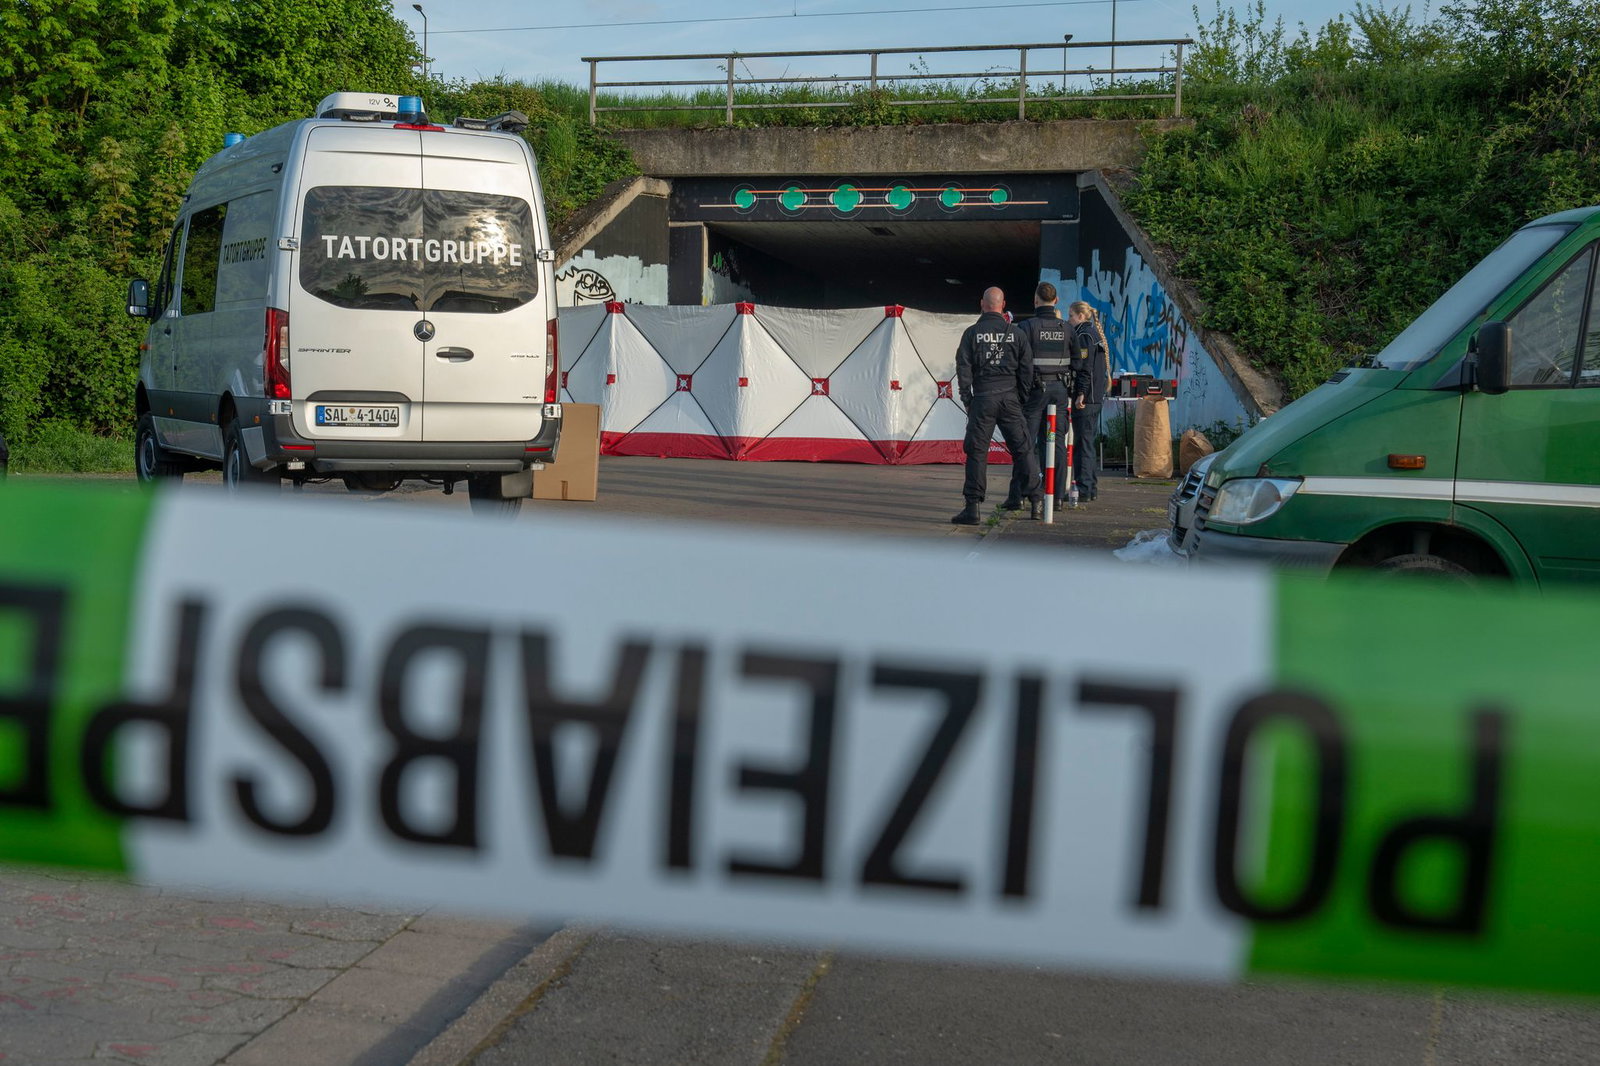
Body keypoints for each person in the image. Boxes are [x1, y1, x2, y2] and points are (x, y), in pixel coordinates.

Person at [951, 287, 1039, 525]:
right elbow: (1027, 369)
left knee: (977, 452)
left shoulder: (972, 333)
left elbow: (964, 368)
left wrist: (967, 399)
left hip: (983, 397)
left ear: (982, 303)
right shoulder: (1016, 333)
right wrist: (1020, 397)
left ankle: (972, 508)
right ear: (1003, 305)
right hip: (1009, 396)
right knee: (1023, 449)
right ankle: (1036, 501)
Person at [1004, 282, 1074, 510]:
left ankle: (1019, 495)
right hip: (1060, 391)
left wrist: (1020, 391)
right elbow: (1079, 362)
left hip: (1034, 393)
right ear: (1056, 302)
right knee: (1056, 444)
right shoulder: (1066, 328)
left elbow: (1016, 362)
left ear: (1035, 301)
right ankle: (1057, 498)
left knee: (1026, 443)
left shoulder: (1025, 327)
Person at [1069, 300, 1110, 502]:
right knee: (1088, 443)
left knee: (1083, 445)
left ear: (1081, 316)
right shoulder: (1094, 335)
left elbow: (1084, 368)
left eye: (1071, 316)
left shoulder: (1084, 336)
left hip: (1087, 398)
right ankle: (1091, 487)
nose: (1069, 320)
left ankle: (1084, 488)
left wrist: (1080, 394)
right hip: (1096, 396)